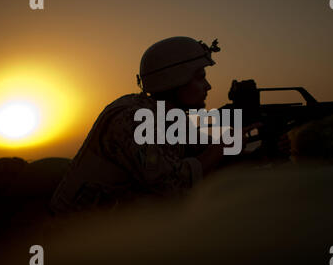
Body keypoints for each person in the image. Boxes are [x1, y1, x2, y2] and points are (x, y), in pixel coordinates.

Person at [50, 36, 251, 213]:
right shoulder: (133, 119)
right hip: (76, 238)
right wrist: (222, 148)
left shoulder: (167, 116)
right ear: (174, 80)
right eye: (200, 77)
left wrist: (254, 146)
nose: (208, 86)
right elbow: (173, 186)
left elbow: (203, 147)